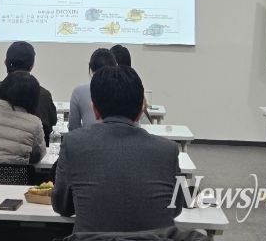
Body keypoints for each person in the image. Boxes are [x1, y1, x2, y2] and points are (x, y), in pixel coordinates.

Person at [52, 65, 182, 232]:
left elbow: (62, 206)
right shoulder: (168, 150)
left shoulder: (73, 143)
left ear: (95, 110)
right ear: (140, 112)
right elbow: (175, 208)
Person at [0, 41, 57, 144]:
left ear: (5, 62)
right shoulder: (44, 95)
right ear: (32, 66)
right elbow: (51, 125)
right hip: (31, 153)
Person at [68, 48, 117, 131]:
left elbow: (73, 128)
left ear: (90, 68)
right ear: (115, 67)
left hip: (87, 138)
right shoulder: (124, 90)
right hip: (121, 137)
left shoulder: (79, 92)